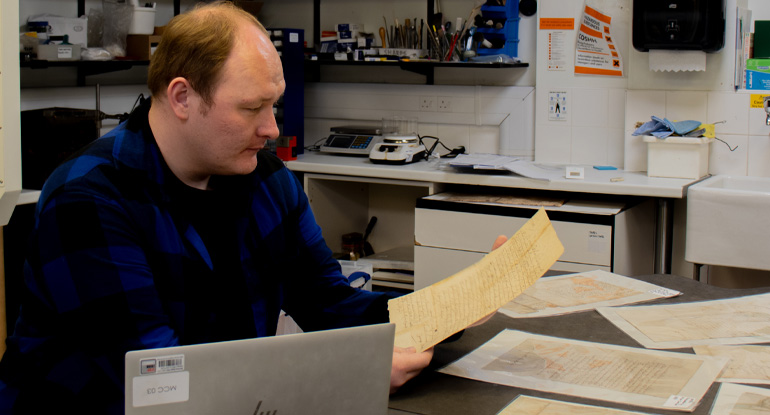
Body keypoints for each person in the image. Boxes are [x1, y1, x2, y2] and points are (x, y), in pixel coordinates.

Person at [0, 3, 436, 412]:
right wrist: (352, 370)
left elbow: (330, 303)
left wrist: (451, 308)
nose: (271, 128)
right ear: (182, 97)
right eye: (251, 108)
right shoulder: (89, 199)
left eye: (274, 104)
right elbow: (159, 382)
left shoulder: (267, 181)